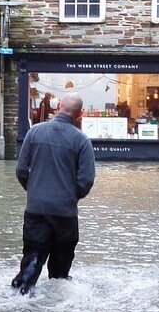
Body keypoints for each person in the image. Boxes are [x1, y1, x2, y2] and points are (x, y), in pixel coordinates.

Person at [11, 93, 96, 296]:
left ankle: (21, 295)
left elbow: (21, 170)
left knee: (32, 260)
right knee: (60, 275)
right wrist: (69, 197)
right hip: (65, 214)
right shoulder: (82, 141)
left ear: (58, 106)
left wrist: (34, 191)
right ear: (80, 113)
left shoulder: (34, 133)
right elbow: (86, 180)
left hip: (36, 210)